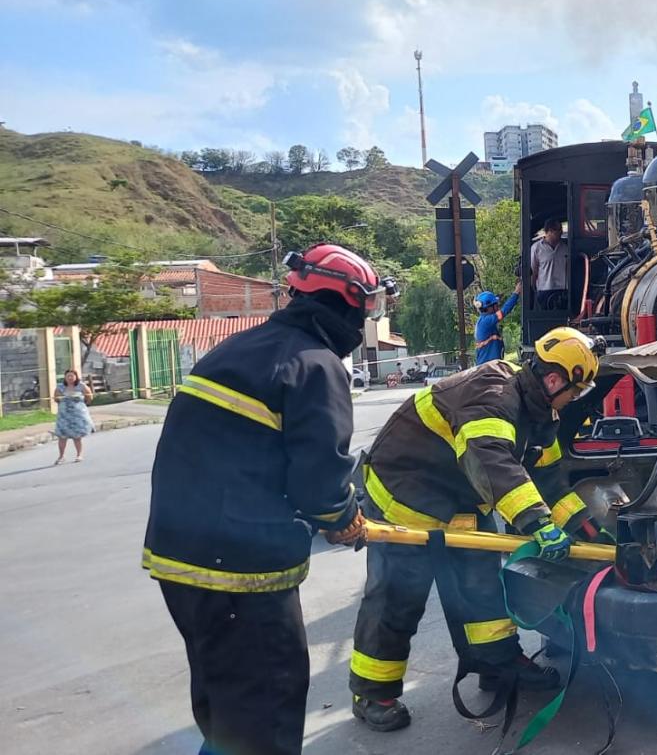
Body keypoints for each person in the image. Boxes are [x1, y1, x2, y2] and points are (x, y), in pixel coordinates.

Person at [144, 244, 393, 755]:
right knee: (266, 715)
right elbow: (320, 482)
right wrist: (344, 517)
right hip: (241, 574)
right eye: (367, 307)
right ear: (347, 303)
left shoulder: (237, 349)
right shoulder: (317, 365)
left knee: (226, 709)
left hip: (178, 563)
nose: (366, 318)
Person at [349, 326, 613, 733]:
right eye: (575, 392)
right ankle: (373, 692)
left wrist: (585, 528)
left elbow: (549, 481)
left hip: (460, 500)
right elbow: (491, 463)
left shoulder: (540, 411)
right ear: (555, 379)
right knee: (396, 598)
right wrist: (538, 524)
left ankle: (497, 665)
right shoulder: (494, 394)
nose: (574, 400)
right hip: (405, 497)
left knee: (484, 589)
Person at [474, 282, 521, 365]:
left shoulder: (484, 321)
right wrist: (516, 293)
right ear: (489, 307)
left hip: (488, 368)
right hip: (488, 370)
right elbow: (504, 311)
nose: (497, 306)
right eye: (495, 304)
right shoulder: (486, 321)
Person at [52, 369, 94, 464]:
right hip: (64, 415)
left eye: (72, 376)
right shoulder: (60, 387)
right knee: (62, 436)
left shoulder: (81, 386)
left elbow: (89, 396)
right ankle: (61, 456)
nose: (70, 378)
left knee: (77, 436)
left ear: (76, 377)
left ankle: (79, 455)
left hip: (77, 415)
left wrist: (82, 405)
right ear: (65, 377)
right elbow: (56, 398)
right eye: (68, 376)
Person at [530, 219, 568, 310]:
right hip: (544, 290)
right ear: (549, 231)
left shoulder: (565, 248)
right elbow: (533, 270)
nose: (561, 232)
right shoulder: (536, 248)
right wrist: (534, 289)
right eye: (558, 230)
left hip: (563, 290)